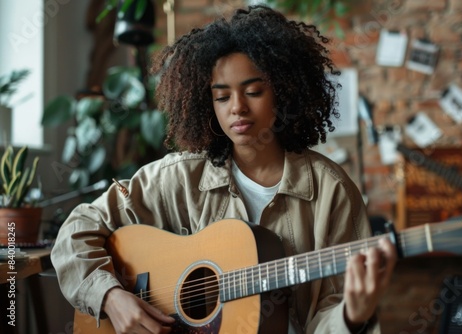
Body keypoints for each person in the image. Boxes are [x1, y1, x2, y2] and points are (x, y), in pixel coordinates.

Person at [51, 5, 397, 334]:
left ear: (285, 92)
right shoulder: (178, 179)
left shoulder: (331, 190)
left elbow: (331, 309)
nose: (238, 108)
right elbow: (76, 231)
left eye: (254, 91)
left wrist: (351, 315)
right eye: (221, 97)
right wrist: (110, 297)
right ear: (206, 104)